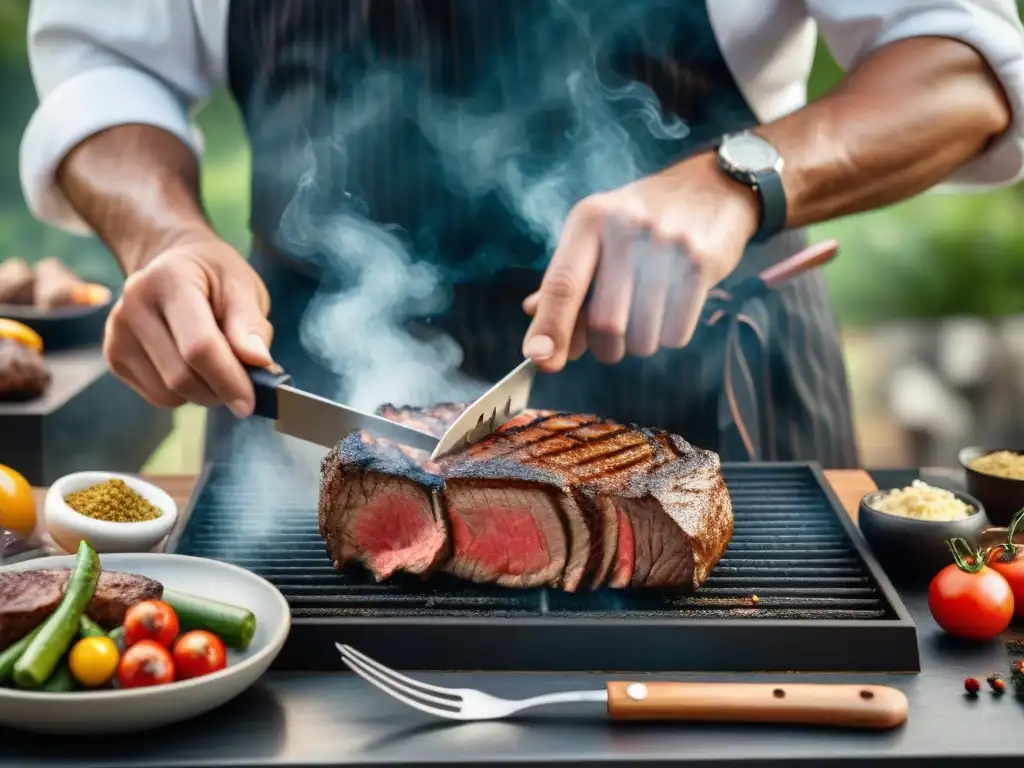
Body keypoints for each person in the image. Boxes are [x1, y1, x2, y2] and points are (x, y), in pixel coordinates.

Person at [20, 0, 1024, 469]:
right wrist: (162, 236)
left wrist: (735, 181)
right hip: (304, 396)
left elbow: (963, 68)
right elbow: (108, 66)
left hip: (721, 388)